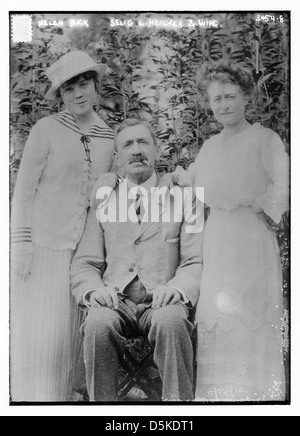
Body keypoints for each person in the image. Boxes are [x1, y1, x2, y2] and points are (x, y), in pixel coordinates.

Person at [70, 118, 203, 401]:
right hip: (116, 300)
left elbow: (194, 260)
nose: (136, 150)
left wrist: (177, 288)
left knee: (172, 322)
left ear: (156, 149)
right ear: (118, 157)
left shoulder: (182, 196)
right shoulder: (103, 199)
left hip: (161, 299)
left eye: (143, 142)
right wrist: (95, 290)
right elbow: (85, 263)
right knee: (96, 324)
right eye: (127, 144)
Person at [10, 50, 115, 401]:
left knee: (66, 338)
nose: (79, 94)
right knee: (39, 333)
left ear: (95, 85)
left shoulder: (108, 137)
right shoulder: (47, 129)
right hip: (41, 247)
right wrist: (20, 244)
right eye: (69, 89)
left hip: (80, 254)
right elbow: (23, 189)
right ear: (62, 96)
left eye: (84, 84)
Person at [190, 60, 289, 401]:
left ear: (246, 97)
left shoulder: (264, 138)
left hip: (251, 239)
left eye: (231, 96)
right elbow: (193, 189)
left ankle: (257, 399)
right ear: (209, 104)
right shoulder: (210, 148)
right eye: (217, 99)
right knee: (219, 315)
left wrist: (262, 205)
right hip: (218, 241)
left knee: (251, 315)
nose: (224, 105)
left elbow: (286, 182)